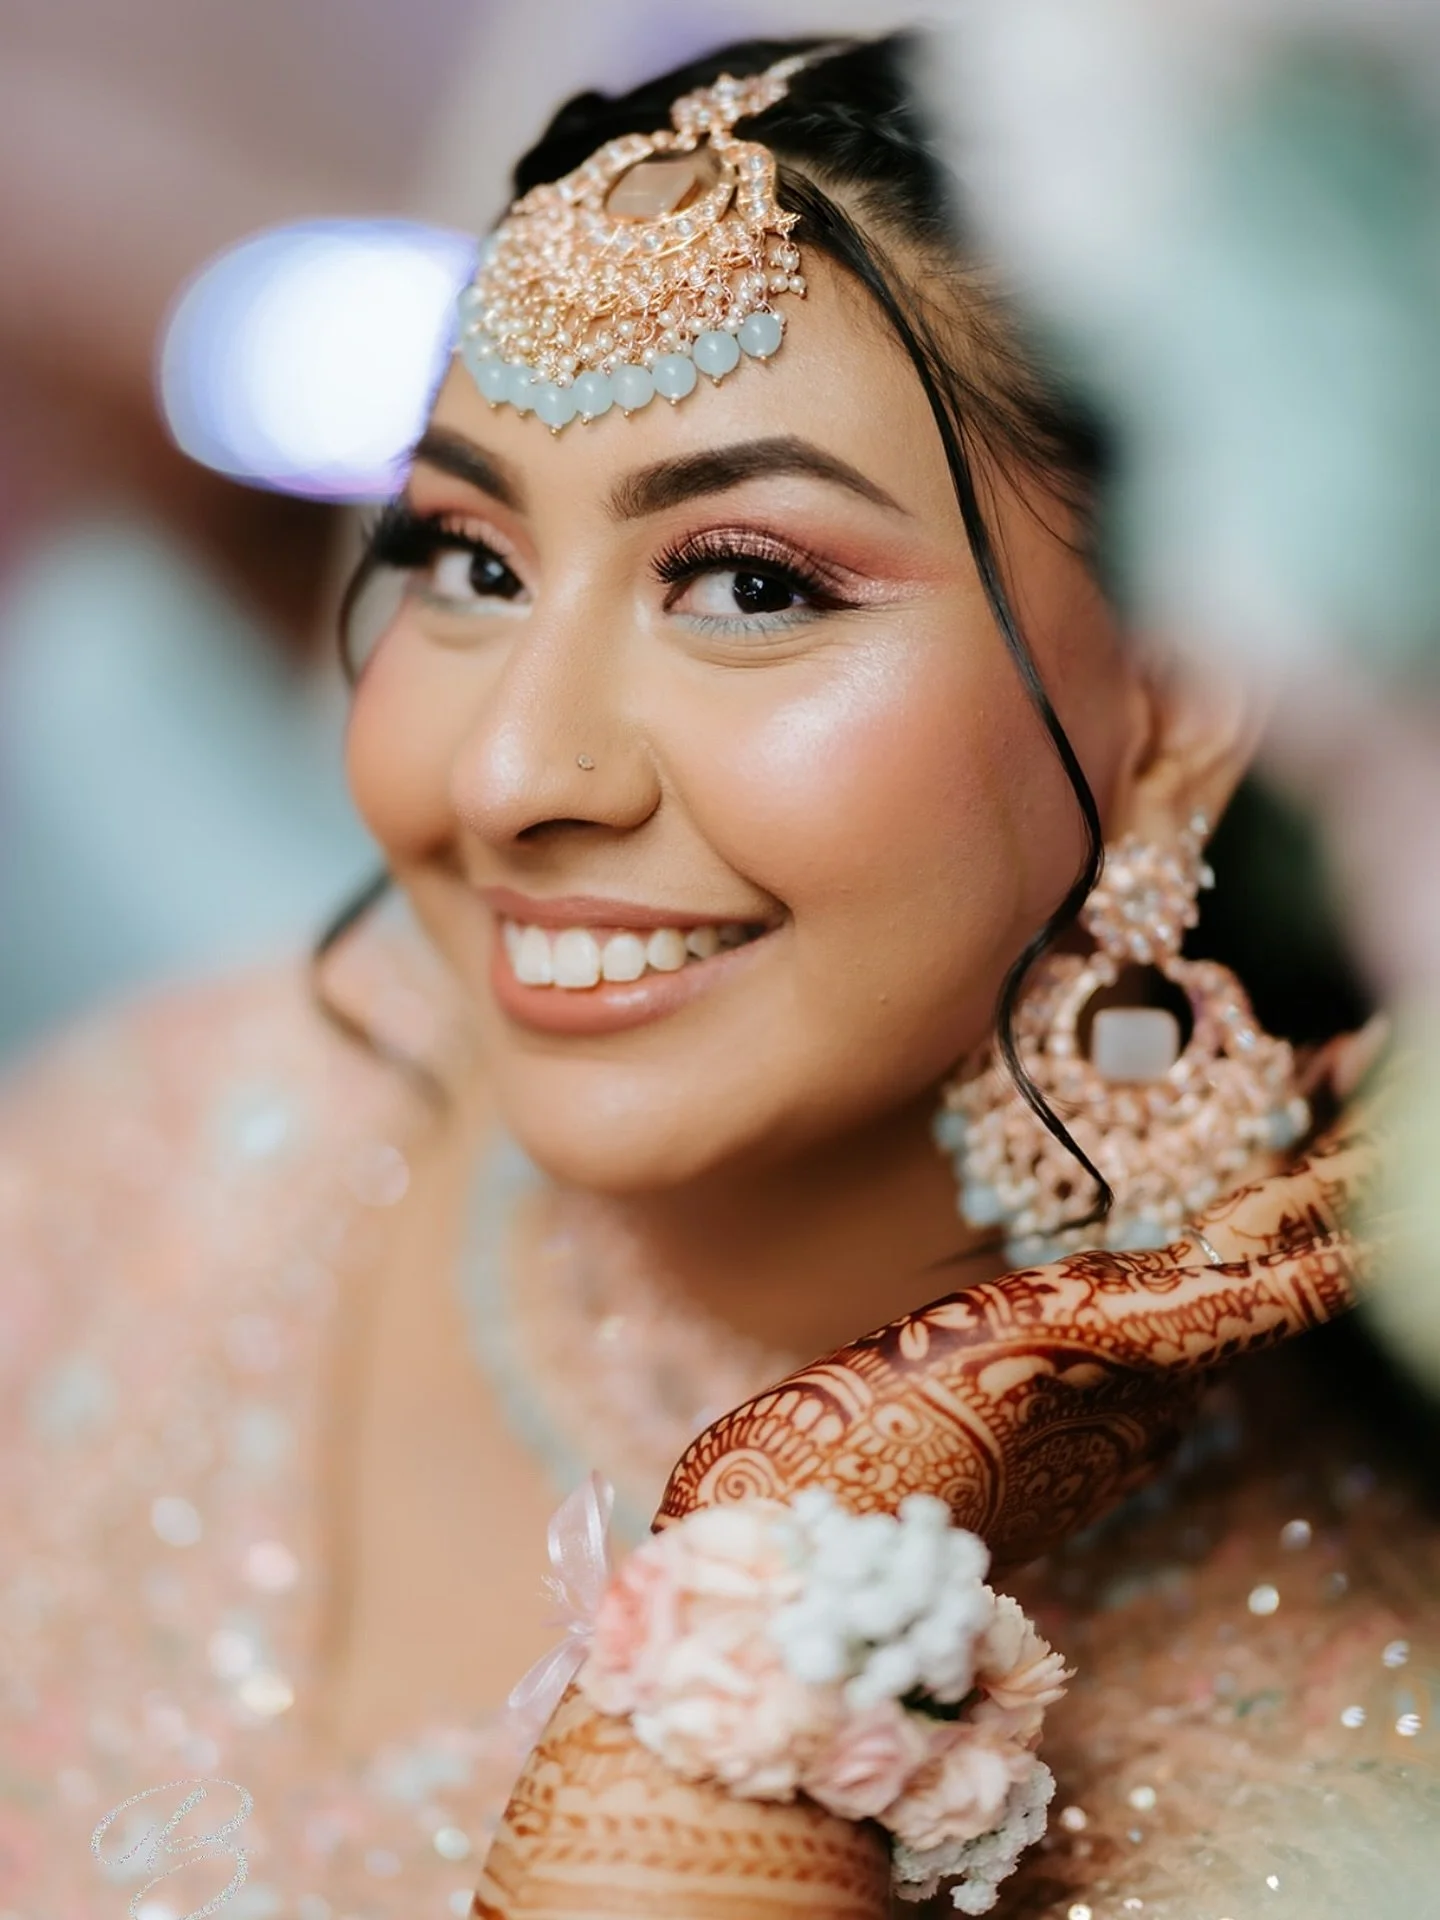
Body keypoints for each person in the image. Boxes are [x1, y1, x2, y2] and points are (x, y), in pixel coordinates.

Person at [1, 31, 1433, 1920]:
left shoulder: (1344, 1754)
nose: (512, 773)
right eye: (466, 559)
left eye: (748, 582)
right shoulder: (160, 1152)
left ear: (1177, 698)